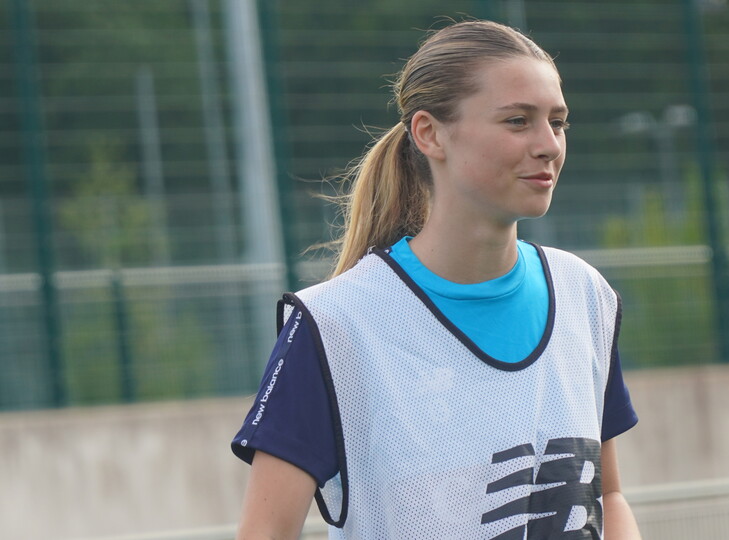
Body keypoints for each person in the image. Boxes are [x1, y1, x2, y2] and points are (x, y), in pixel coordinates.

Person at [232, 19, 642, 540]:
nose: (549, 145)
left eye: (557, 122)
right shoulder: (333, 327)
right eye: (518, 121)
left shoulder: (585, 294)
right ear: (429, 133)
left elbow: (608, 495)